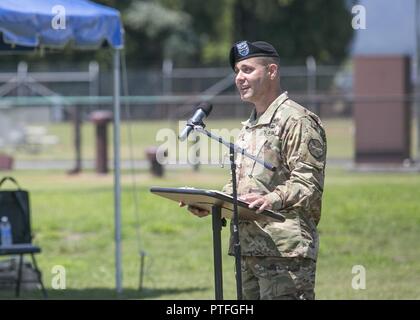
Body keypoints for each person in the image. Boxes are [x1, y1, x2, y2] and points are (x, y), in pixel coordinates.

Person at [181, 40, 327, 300]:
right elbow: (243, 186)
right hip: (248, 249)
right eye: (237, 71)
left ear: (271, 71)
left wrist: (269, 200)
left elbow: (308, 184)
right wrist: (210, 203)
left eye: (247, 70)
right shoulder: (249, 127)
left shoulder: (297, 120)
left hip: (284, 252)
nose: (239, 78)